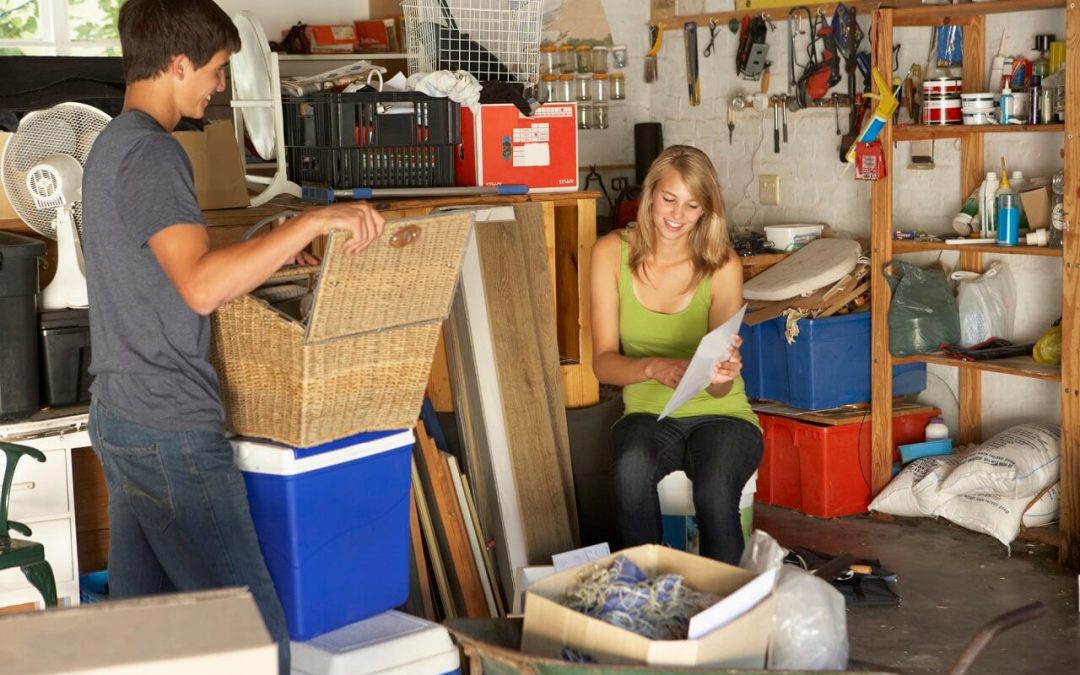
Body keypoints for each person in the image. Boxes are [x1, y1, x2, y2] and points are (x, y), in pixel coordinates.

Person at [80, 1, 384, 672]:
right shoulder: (154, 154)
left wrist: (265, 244)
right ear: (179, 64)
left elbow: (167, 264)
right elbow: (199, 286)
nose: (220, 86)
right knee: (255, 636)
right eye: (216, 71)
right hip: (170, 430)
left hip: (125, 415)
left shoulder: (113, 145)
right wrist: (307, 225)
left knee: (142, 641)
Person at [589, 145, 762, 565]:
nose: (677, 215)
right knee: (630, 473)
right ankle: (646, 598)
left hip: (723, 416)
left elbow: (721, 389)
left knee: (715, 491)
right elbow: (603, 362)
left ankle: (727, 613)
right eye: (669, 199)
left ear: (705, 210)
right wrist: (652, 367)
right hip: (648, 415)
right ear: (650, 195)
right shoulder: (610, 253)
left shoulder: (721, 264)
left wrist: (723, 373)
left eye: (692, 205)